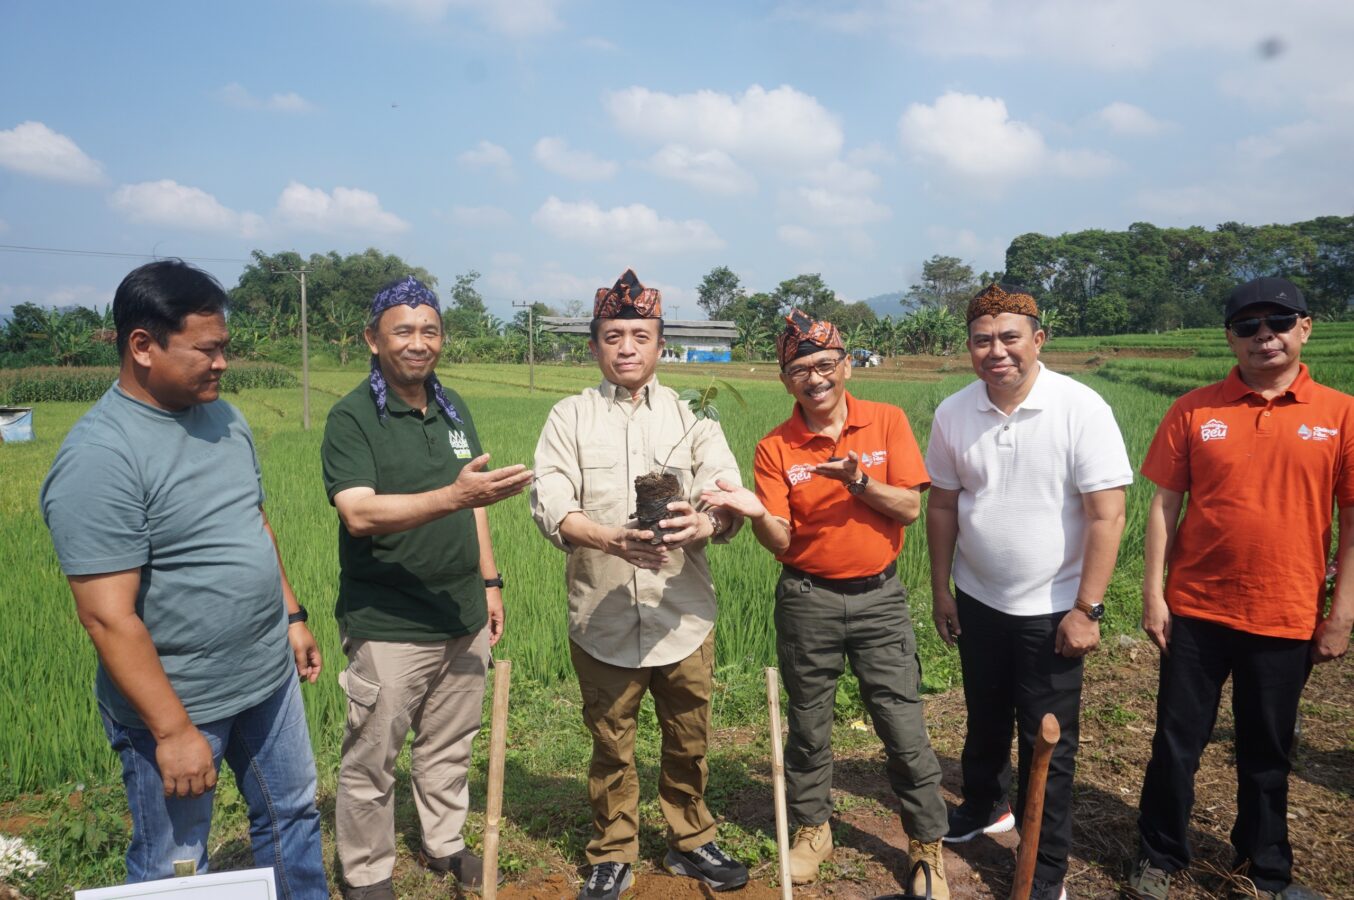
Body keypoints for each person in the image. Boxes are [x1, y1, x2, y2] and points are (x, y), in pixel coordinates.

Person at [39, 260, 326, 897]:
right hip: (179, 700)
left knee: (295, 818)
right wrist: (172, 732)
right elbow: (107, 616)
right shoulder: (101, 456)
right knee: (177, 862)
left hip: (266, 678)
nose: (223, 363)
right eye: (208, 349)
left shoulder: (224, 418)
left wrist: (292, 615)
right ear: (142, 346)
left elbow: (251, 520)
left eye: (225, 348)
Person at [701, 309, 953, 897]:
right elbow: (782, 540)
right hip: (807, 599)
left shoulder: (886, 422)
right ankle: (813, 829)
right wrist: (757, 510)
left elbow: (912, 509)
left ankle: (925, 847)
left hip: (879, 598)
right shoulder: (775, 448)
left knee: (903, 724)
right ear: (785, 380)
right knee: (809, 724)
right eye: (799, 370)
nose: (815, 379)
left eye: (824, 365)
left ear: (845, 365)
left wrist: (856, 481)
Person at [1126, 277, 1352, 900]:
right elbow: (1162, 507)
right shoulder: (1196, 408)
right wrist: (1153, 593)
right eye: (1248, 326)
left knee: (1268, 751)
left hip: (1285, 611)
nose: (1264, 338)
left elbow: (1352, 523)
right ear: (1230, 336)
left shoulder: (1340, 414)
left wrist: (1341, 615)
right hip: (1196, 610)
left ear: (1305, 327)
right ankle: (1160, 855)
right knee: (1176, 742)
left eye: (1277, 323)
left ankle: (1266, 866)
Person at [530, 269, 750, 900]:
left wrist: (702, 521)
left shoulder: (693, 417)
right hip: (601, 615)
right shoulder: (568, 416)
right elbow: (550, 502)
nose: (626, 347)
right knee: (610, 743)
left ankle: (692, 837)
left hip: (682, 615)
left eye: (640, 335)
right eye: (612, 336)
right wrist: (607, 538)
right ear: (596, 345)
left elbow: (727, 494)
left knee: (689, 737)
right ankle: (613, 850)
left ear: (659, 344)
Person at [322, 276, 532, 900]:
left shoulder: (453, 407)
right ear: (373, 339)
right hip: (388, 621)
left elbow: (477, 501)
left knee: (449, 743)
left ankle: (443, 842)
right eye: (403, 331)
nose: (419, 343)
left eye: (430, 330)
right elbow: (358, 513)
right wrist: (454, 495)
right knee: (371, 760)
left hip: (461, 612)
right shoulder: (352, 417)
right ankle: (366, 874)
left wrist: (489, 581)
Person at [925, 283, 1132, 900]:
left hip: (1053, 610)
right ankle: (985, 805)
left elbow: (1107, 515)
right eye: (983, 339)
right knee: (984, 716)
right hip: (980, 598)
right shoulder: (954, 412)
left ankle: (1044, 869)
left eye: (1010, 337)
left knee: (1048, 741)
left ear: (1038, 340)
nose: (997, 351)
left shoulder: (1080, 408)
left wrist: (1087, 609)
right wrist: (942, 590)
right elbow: (942, 507)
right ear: (969, 347)